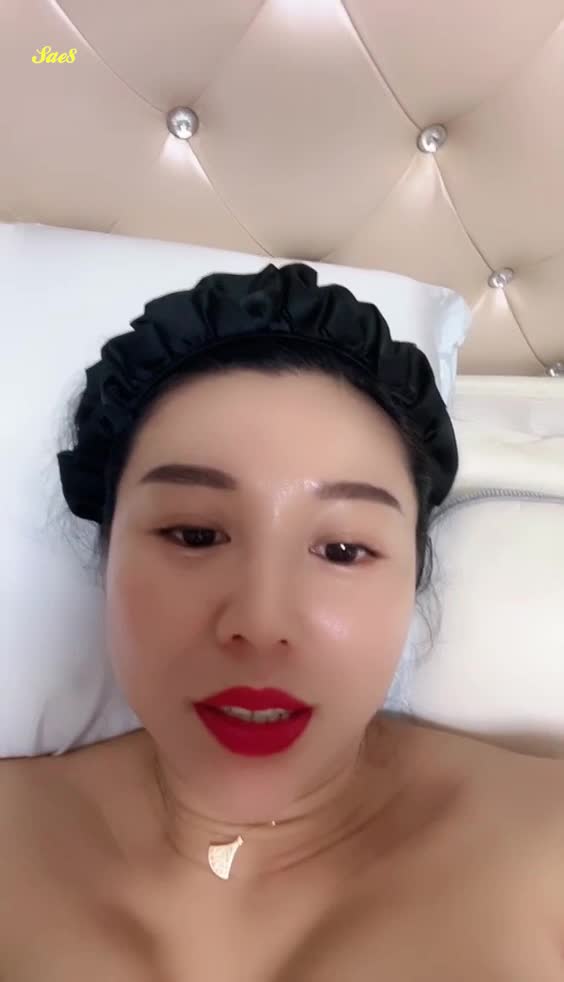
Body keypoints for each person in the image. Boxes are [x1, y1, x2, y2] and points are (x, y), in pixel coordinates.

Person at [2, 263, 564, 980]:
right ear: (106, 555)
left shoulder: (546, 847)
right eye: (195, 535)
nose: (262, 624)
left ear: (414, 577)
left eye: (342, 550)